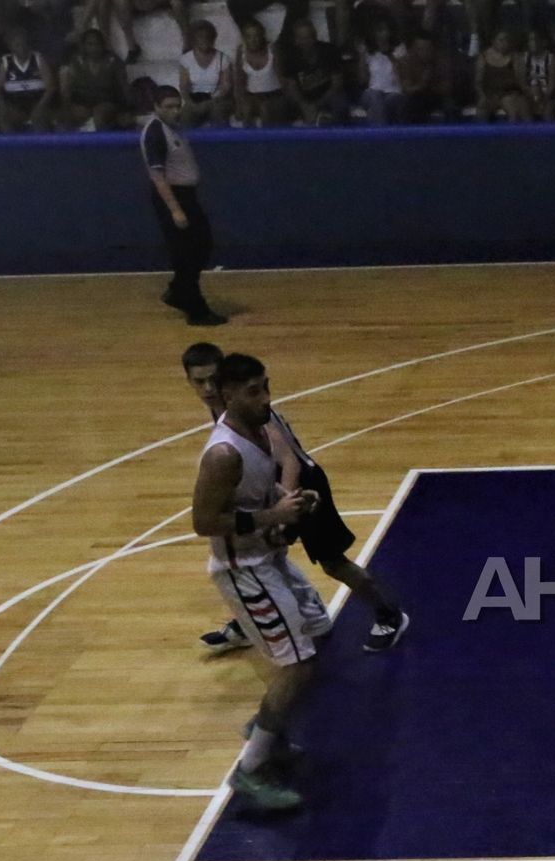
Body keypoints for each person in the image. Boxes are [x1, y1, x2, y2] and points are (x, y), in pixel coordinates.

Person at [183, 343, 411, 655]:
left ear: (227, 384)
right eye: (199, 382)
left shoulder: (254, 409)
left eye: (212, 380)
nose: (208, 389)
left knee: (333, 563)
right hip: (272, 493)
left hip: (300, 484)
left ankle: (389, 613)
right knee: (261, 559)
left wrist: (285, 510)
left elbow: (288, 461)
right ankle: (254, 622)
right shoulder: (225, 412)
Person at [191, 353, 325, 811]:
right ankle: (250, 770)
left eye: (266, 386)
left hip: (267, 557)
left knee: (314, 640)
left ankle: (271, 733)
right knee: (298, 664)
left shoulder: (262, 430)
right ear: (227, 395)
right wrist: (271, 515)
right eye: (253, 391)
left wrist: (289, 502)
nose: (265, 397)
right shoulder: (223, 454)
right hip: (243, 572)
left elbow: (265, 490)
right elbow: (204, 521)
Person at [141, 86, 226, 327]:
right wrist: (175, 209)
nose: (175, 111)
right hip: (175, 196)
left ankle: (179, 291)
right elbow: (157, 176)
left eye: (177, 106)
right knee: (186, 253)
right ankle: (195, 308)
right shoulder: (155, 132)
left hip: (186, 194)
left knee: (200, 245)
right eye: (168, 106)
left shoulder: (172, 128)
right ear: (156, 107)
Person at [60, 27, 130, 130]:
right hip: (82, 102)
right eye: (90, 44)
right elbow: (68, 88)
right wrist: (70, 106)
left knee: (99, 113)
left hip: (108, 102)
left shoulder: (113, 61)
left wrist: (127, 109)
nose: (94, 48)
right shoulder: (76, 61)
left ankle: (102, 145)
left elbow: (124, 87)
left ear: (103, 45)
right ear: (84, 46)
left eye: (97, 44)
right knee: (65, 118)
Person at [0, 22, 55, 133]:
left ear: (28, 44)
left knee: (39, 116)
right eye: (17, 45)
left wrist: (40, 106)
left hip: (37, 102)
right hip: (16, 105)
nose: (22, 48)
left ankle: (43, 147)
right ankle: (11, 146)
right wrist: (2, 105)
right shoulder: (6, 62)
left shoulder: (38, 58)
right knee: (2, 114)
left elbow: (50, 88)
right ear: (10, 47)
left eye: (23, 44)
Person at [237, 18, 290, 128]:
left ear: (262, 36)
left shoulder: (272, 49)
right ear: (244, 38)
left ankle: (267, 142)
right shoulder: (241, 51)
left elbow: (283, 79)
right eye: (249, 37)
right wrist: (239, 103)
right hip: (252, 96)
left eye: (256, 36)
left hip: (274, 95)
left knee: (265, 108)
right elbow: (240, 81)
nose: (253, 40)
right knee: (246, 109)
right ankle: (247, 142)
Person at [178, 20, 232, 128]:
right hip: (194, 100)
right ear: (193, 39)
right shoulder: (186, 59)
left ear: (213, 38)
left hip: (216, 100)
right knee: (186, 115)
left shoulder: (223, 58)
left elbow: (225, 87)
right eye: (200, 36)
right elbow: (184, 86)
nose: (205, 39)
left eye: (208, 36)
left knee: (218, 112)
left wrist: (209, 102)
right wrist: (190, 103)